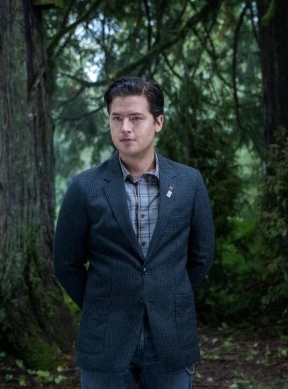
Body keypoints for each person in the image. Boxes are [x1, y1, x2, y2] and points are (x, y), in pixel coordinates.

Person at [54, 77, 215, 389]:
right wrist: (102, 302)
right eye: (117, 118)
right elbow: (66, 263)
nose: (125, 127)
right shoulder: (84, 187)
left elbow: (202, 256)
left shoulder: (189, 183)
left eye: (136, 118)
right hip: (105, 338)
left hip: (171, 336)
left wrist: (167, 293)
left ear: (158, 122)